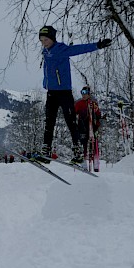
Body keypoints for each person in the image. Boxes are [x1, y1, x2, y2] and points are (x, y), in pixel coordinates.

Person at [37, 25, 111, 164]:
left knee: (71, 122)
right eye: (41, 40)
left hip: (64, 92)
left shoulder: (61, 49)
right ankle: (46, 151)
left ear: (52, 39)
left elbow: (79, 49)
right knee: (49, 122)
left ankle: (77, 152)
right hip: (51, 93)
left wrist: (98, 45)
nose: (44, 43)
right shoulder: (45, 52)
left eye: (46, 40)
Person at [75, 86, 102, 171]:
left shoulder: (93, 103)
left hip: (93, 127)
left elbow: (98, 115)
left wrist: (97, 125)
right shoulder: (79, 103)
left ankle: (96, 163)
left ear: (89, 94)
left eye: (85, 93)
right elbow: (73, 113)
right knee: (83, 145)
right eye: (82, 92)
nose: (83, 95)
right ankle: (83, 164)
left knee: (94, 145)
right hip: (82, 127)